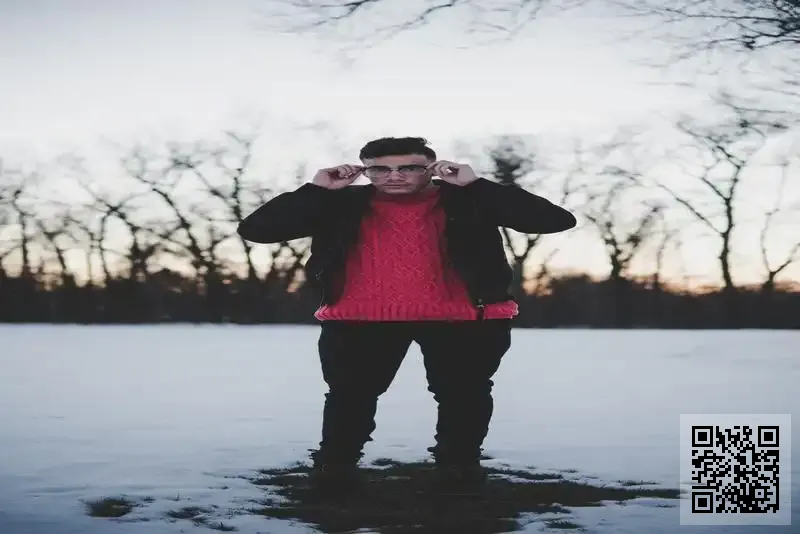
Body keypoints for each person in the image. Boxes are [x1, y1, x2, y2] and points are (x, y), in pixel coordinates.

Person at [237, 137, 576, 493]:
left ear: (430, 168)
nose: (394, 176)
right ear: (365, 171)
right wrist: (316, 190)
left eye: (408, 167)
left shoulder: (469, 197)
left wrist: (477, 185)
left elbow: (555, 220)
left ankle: (459, 468)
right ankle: (334, 467)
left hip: (463, 316)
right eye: (380, 169)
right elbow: (256, 231)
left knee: (464, 395)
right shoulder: (339, 202)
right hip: (360, 316)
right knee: (349, 395)